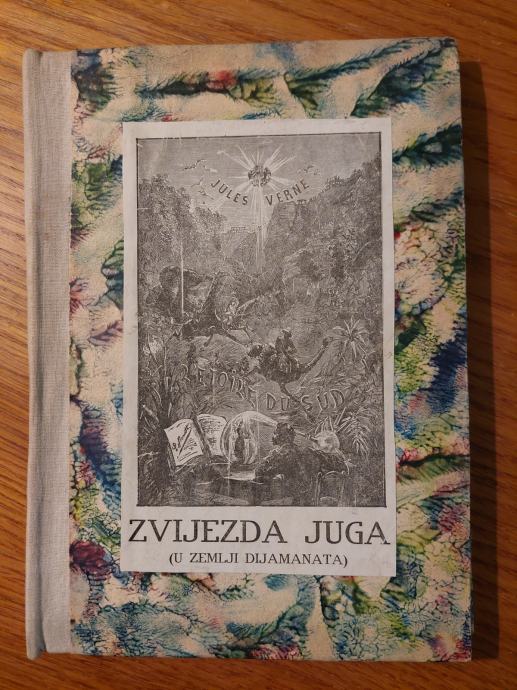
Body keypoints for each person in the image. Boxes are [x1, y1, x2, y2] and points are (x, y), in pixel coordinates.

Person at [256, 422, 317, 505]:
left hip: (291, 498)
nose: (273, 436)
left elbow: (259, 471)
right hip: (306, 495)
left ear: (281, 437)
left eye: (275, 433)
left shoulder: (282, 453)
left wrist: (268, 458)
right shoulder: (301, 450)